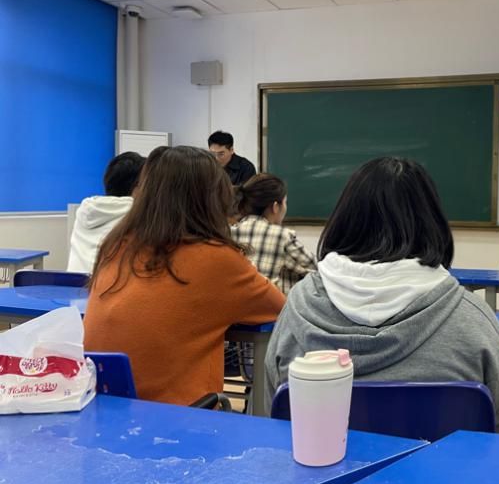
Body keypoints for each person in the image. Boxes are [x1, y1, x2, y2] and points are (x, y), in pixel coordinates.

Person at [264, 157, 499, 436]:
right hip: (441, 467)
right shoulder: (472, 321)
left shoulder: (296, 309)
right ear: (432, 223)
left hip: (323, 466)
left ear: (343, 220)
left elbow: (269, 426)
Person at [84, 146, 285, 406]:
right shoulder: (215, 258)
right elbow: (281, 309)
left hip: (102, 408)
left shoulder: (115, 244)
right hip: (180, 417)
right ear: (214, 199)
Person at [233, 173, 316, 295]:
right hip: (272, 305)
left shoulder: (229, 232)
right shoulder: (282, 236)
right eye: (285, 202)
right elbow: (317, 271)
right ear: (275, 207)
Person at [67, 152, 145, 273]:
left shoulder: (85, 210)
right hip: (107, 284)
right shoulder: (138, 216)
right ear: (138, 187)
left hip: (74, 283)